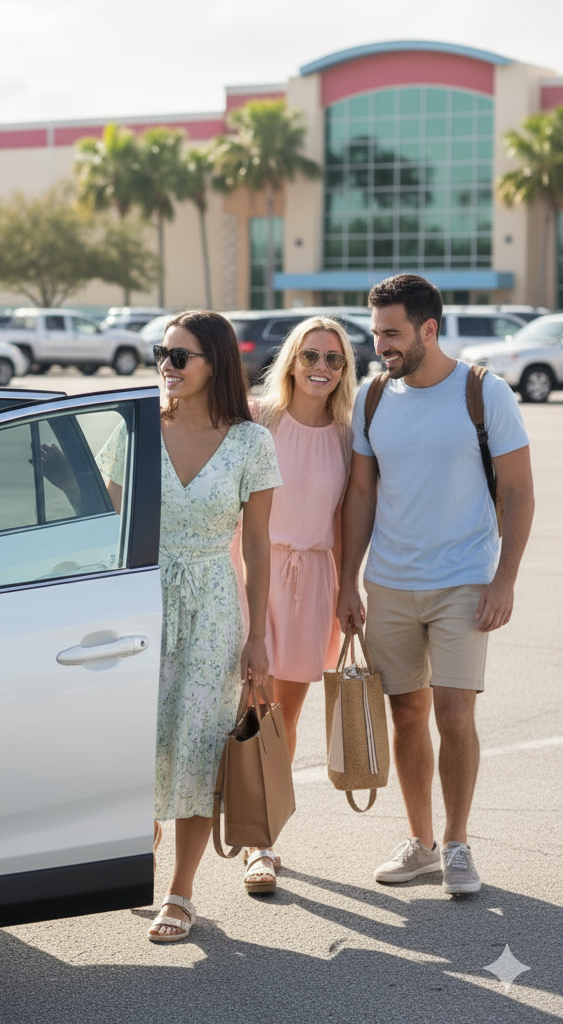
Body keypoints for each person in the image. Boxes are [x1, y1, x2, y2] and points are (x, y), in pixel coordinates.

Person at [337, 273, 534, 895]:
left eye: (392, 334)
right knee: (405, 714)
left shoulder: (485, 393)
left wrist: (504, 579)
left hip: (464, 582)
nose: (381, 346)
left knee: (454, 713)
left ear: (429, 328)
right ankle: (420, 844)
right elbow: (362, 493)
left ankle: (458, 844)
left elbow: (520, 491)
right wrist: (348, 580)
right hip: (391, 583)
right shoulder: (372, 399)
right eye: (375, 334)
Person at [94, 310, 281, 942]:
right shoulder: (137, 429)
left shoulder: (252, 443)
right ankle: (135, 844)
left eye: (181, 357)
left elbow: (258, 547)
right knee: (132, 740)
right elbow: (109, 531)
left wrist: (257, 638)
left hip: (213, 610)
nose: (167, 367)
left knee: (199, 748)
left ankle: (181, 890)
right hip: (141, 603)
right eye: (162, 354)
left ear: (216, 364)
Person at [236, 316, 358, 893]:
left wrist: (349, 589)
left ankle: (263, 845)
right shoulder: (260, 418)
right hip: (251, 576)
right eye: (311, 355)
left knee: (281, 722)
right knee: (236, 711)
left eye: (334, 359)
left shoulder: (347, 435)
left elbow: (345, 518)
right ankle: (178, 827)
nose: (322, 367)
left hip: (314, 580)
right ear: (291, 359)